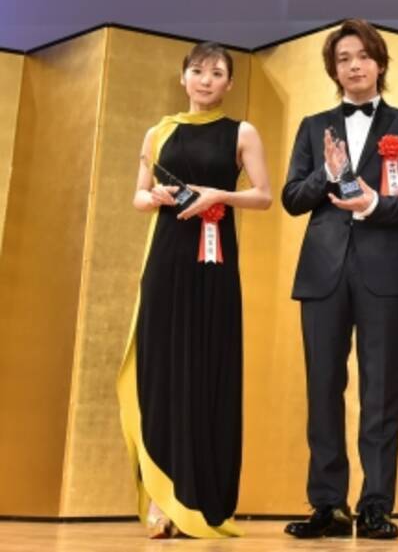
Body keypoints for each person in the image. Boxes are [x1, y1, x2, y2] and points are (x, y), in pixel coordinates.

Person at [281, 19, 398, 541]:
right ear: (333, 69)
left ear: (381, 63)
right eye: (344, 58)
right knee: (323, 387)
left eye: (364, 56)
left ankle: (375, 505)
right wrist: (326, 174)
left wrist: (373, 204)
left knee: (381, 391)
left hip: (384, 269)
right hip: (322, 270)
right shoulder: (313, 125)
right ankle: (328, 505)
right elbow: (292, 198)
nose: (354, 66)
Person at [118, 41, 272, 539]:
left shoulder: (241, 132)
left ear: (230, 83)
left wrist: (218, 195)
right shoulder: (159, 131)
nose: (206, 80)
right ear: (183, 76)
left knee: (207, 366)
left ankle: (202, 500)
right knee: (162, 368)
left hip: (215, 264)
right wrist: (155, 196)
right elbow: (138, 196)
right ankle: (161, 500)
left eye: (217, 73)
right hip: (166, 260)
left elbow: (264, 195)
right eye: (198, 71)